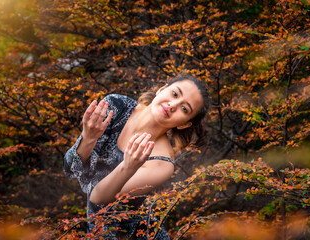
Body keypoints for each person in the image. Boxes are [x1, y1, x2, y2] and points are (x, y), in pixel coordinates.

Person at [63, 74, 209, 239]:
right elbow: (69, 169)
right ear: (162, 89)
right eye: (175, 94)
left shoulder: (162, 162)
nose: (173, 105)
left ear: (184, 124)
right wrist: (88, 138)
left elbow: (98, 198)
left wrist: (127, 168)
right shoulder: (116, 106)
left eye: (185, 109)